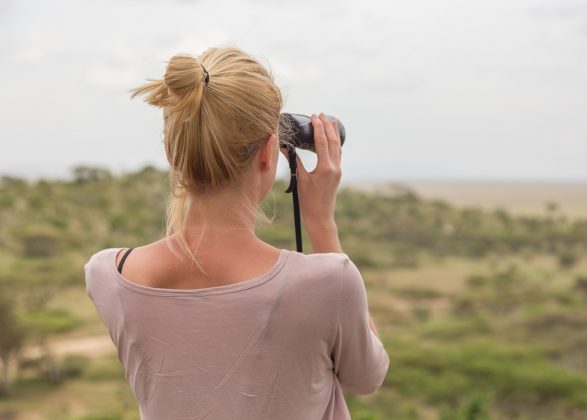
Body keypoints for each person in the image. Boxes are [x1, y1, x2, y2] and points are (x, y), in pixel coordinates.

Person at [83, 46, 389, 420]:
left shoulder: (107, 276)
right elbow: (367, 377)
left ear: (170, 150)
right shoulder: (328, 281)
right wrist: (322, 224)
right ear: (267, 152)